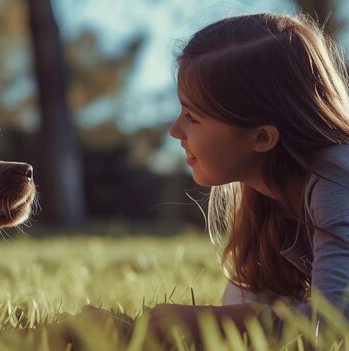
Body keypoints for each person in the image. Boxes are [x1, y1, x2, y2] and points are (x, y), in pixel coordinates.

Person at [150, 12, 349, 341]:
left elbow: (335, 321)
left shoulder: (337, 180)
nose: (175, 131)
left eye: (192, 117)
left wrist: (205, 322)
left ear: (261, 138)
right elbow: (252, 318)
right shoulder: (269, 198)